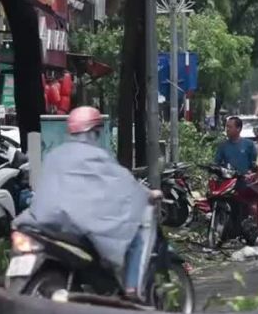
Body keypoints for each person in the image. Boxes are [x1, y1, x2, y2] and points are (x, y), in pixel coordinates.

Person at [14, 106, 159, 302]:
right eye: (97, 132)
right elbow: (124, 185)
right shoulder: (97, 157)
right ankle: (132, 289)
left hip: (43, 222)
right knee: (133, 234)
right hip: (75, 226)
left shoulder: (55, 155)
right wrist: (147, 194)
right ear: (94, 131)